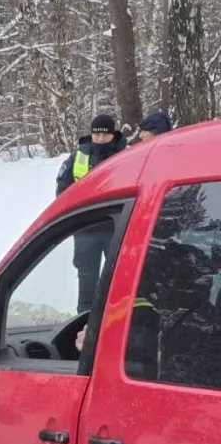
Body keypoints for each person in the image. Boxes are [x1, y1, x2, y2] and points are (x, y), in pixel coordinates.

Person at [56, 113, 127, 312]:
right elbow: (63, 190)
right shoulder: (79, 155)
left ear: (114, 134)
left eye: (105, 135)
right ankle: (84, 316)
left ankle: (118, 316)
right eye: (96, 134)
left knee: (119, 276)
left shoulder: (127, 155)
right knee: (87, 277)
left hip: (118, 227)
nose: (100, 139)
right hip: (85, 228)